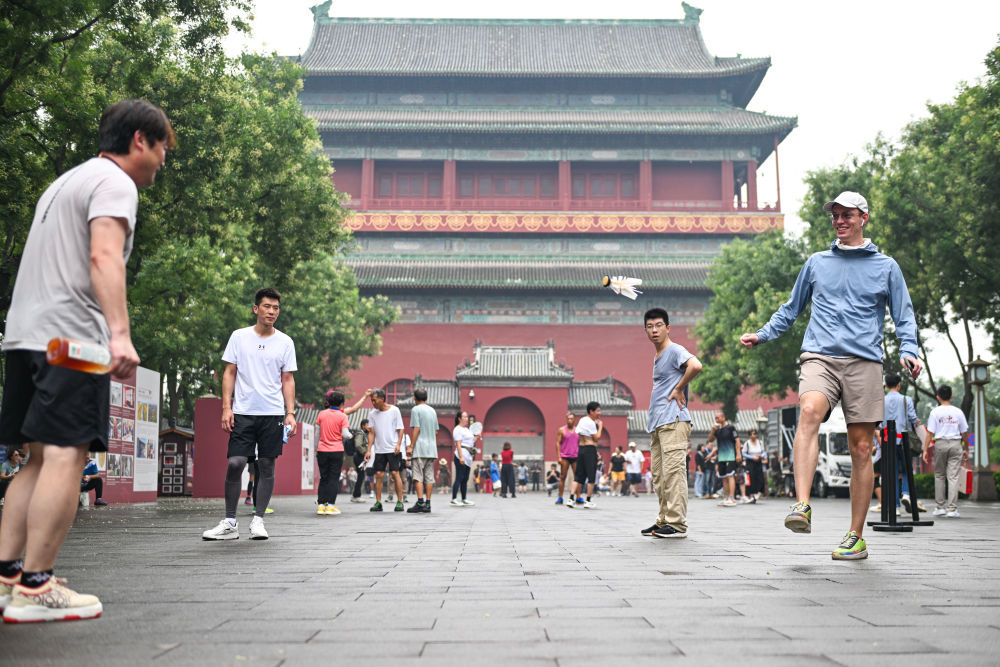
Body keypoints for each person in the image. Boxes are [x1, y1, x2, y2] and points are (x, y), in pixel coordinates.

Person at [0, 100, 172, 623]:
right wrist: (119, 334)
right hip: (73, 339)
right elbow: (103, 255)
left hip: (26, 335)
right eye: (163, 147)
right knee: (66, 455)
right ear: (139, 140)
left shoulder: (65, 182)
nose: (164, 160)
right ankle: (36, 588)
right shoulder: (116, 183)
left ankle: (8, 578)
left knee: (37, 459)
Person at [739, 191, 922, 561]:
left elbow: (904, 316)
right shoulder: (817, 263)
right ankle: (802, 505)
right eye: (835, 215)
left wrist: (909, 350)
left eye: (846, 215)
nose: (839, 221)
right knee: (809, 411)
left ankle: (856, 536)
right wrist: (763, 333)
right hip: (819, 356)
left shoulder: (886, 267)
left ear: (863, 218)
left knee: (861, 448)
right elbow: (791, 309)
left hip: (864, 362)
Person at [639, 308, 703, 539]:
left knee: (674, 473)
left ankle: (677, 524)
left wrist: (679, 388)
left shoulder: (674, 350)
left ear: (668, 328)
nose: (654, 330)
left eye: (658, 325)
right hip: (659, 423)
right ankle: (664, 519)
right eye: (649, 326)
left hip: (674, 419)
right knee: (659, 475)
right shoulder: (658, 355)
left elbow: (696, 365)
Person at [314, 389, 366, 516]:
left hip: (322, 450)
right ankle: (330, 506)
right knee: (333, 478)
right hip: (336, 450)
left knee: (324, 478)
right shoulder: (342, 416)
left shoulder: (322, 414)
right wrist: (351, 436)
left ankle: (321, 505)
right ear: (342, 403)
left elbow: (317, 434)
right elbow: (345, 434)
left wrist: (316, 449)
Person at [924, 385, 969, 518]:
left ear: (938, 397)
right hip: (956, 444)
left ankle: (940, 507)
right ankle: (952, 509)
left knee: (939, 475)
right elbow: (964, 433)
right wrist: (966, 449)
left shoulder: (935, 412)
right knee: (953, 476)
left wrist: (925, 450)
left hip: (940, 444)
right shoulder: (958, 412)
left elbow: (930, 433)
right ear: (951, 396)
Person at [881, 373, 923, 514]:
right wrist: (917, 421)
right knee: (906, 469)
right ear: (899, 385)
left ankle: (895, 507)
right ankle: (906, 493)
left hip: (888, 441)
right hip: (904, 441)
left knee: (892, 473)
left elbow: (879, 422)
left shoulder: (881, 401)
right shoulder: (906, 399)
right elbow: (913, 418)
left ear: (886, 386)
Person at [363, 388, 406, 512]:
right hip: (380, 450)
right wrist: (368, 450)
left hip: (393, 448)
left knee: (395, 473)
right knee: (379, 474)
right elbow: (371, 433)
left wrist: (398, 444)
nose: (373, 403)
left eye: (374, 400)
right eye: (372, 401)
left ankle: (399, 502)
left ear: (382, 399)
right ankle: (378, 502)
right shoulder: (372, 414)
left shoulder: (394, 410)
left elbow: (401, 429)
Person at [406, 387, 439, 513]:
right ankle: (428, 504)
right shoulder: (432, 410)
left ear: (414, 398)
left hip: (420, 448)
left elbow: (417, 428)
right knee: (429, 477)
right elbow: (436, 431)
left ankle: (420, 502)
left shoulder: (415, 409)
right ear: (426, 398)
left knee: (418, 476)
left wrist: (411, 446)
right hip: (431, 449)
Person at [569, 402, 602, 508]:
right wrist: (600, 426)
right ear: (591, 411)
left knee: (578, 476)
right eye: (598, 411)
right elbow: (596, 438)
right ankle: (588, 501)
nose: (599, 413)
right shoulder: (591, 423)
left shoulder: (582, 420)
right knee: (591, 475)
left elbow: (578, 433)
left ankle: (571, 499)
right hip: (589, 449)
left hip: (581, 449)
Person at [708, 412, 742, 507]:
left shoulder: (731, 428)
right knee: (723, 477)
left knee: (730, 476)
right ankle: (726, 497)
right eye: (715, 418)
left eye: (718, 418)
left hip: (730, 456)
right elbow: (710, 440)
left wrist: (738, 454)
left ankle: (732, 498)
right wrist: (713, 430)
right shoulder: (717, 430)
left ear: (723, 417)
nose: (716, 420)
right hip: (721, 457)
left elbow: (737, 441)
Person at [450, 411, 477, 506]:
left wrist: (477, 437)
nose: (466, 419)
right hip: (461, 457)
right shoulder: (457, 429)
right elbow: (458, 444)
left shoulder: (467, 429)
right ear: (459, 418)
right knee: (459, 477)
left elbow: (471, 442)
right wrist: (461, 457)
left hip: (468, 457)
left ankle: (464, 498)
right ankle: (454, 498)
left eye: (467, 417)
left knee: (465, 479)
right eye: (464, 417)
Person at [555, 412, 579, 505]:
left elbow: (581, 443)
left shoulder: (578, 430)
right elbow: (558, 443)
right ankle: (560, 497)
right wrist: (559, 457)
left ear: (574, 420)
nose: (569, 420)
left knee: (577, 477)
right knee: (562, 477)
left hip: (575, 456)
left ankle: (578, 497)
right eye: (568, 419)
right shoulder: (562, 430)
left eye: (571, 419)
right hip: (565, 456)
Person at [742, 429, 766, 502]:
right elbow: (743, 453)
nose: (753, 436)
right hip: (750, 462)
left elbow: (764, 452)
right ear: (749, 435)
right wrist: (752, 457)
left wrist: (762, 456)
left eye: (754, 434)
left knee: (760, 477)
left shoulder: (760, 442)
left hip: (758, 461)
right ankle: (750, 494)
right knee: (751, 478)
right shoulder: (747, 443)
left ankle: (758, 492)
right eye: (751, 434)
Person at [349, 418, 370, 503]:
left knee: (361, 476)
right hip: (359, 457)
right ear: (363, 426)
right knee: (361, 476)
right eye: (368, 425)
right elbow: (358, 445)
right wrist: (365, 452)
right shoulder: (360, 433)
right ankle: (356, 496)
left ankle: (356, 494)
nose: (369, 426)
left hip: (361, 457)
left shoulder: (365, 433)